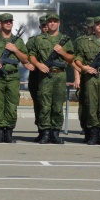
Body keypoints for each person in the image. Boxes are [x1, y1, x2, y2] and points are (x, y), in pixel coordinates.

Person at [70, 16, 100, 145]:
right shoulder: (84, 41)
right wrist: (84, 67)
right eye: (97, 24)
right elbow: (77, 58)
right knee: (91, 105)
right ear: (94, 26)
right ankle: (92, 134)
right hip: (90, 77)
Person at [26, 13, 72, 144]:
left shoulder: (65, 39)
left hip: (60, 75)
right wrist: (39, 64)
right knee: (44, 104)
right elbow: (32, 55)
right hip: (45, 76)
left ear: (59, 23)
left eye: (54, 21)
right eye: (50, 21)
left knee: (57, 105)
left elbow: (71, 58)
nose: (52, 23)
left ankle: (55, 132)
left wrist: (62, 52)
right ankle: (45, 132)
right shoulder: (39, 39)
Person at [0, 13, 28, 143]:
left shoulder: (18, 41)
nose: (8, 23)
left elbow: (25, 59)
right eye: (5, 21)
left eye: (10, 21)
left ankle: (9, 132)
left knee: (12, 104)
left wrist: (15, 50)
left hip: (13, 76)